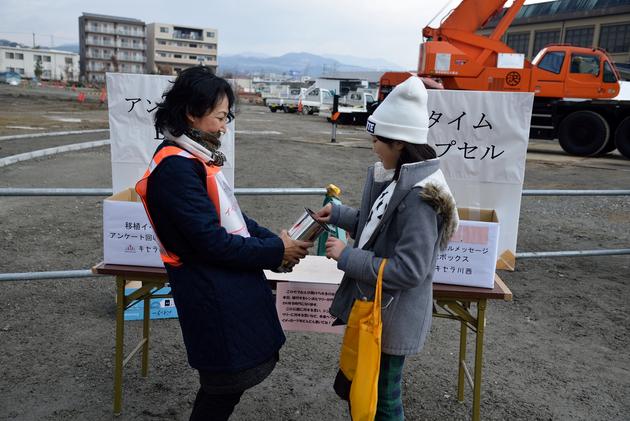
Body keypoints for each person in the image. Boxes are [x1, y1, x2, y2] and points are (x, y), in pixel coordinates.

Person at [135, 66, 312, 421]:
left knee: (224, 386)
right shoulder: (177, 168)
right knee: (223, 387)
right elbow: (212, 242)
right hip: (210, 291)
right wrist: (277, 251)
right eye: (219, 117)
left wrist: (273, 242)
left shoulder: (192, 158)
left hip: (223, 286)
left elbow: (233, 216)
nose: (224, 126)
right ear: (191, 114)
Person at [315, 76, 459, 420]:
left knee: (383, 399)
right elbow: (379, 223)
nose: (374, 147)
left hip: (391, 317)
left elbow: (409, 271)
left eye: (378, 140)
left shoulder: (421, 198)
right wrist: (339, 214)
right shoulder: (404, 178)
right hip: (383, 313)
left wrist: (347, 256)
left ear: (399, 143)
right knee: (368, 390)